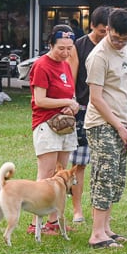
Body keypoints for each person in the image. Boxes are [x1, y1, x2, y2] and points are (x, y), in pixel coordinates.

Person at [84, 8, 127, 249]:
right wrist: (118, 126)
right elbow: (96, 97)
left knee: (117, 177)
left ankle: (107, 228)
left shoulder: (125, 48)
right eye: (115, 38)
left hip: (121, 121)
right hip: (102, 124)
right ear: (107, 29)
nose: (119, 43)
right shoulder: (99, 56)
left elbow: (125, 86)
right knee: (104, 175)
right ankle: (97, 235)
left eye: (124, 39)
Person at [28, 24, 80, 235]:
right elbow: (39, 100)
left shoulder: (66, 65)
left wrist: (72, 104)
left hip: (65, 125)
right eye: (61, 48)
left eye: (69, 48)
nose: (65, 53)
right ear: (50, 44)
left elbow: (70, 93)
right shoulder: (42, 65)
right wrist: (66, 101)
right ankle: (35, 223)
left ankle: (53, 221)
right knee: (46, 174)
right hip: (46, 125)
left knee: (62, 173)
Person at [67, 5, 111, 224]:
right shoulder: (79, 46)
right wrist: (72, 103)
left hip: (107, 111)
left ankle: (100, 212)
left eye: (109, 30)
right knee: (80, 163)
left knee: (104, 163)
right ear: (92, 26)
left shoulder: (114, 46)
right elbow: (71, 77)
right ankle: (77, 209)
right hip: (84, 110)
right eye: (103, 30)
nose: (106, 35)